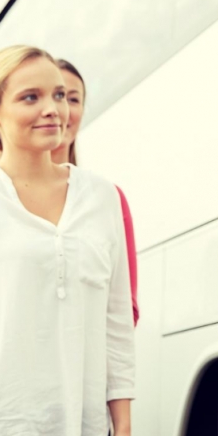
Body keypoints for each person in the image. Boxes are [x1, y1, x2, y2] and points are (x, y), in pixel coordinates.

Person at [0, 45, 134, 436]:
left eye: (59, 95)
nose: (52, 108)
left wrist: (121, 425)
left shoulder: (102, 196)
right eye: (30, 97)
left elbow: (116, 319)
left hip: (84, 424)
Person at [52, 58, 138, 325]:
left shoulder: (108, 197)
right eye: (56, 95)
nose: (62, 109)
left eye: (73, 99)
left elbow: (125, 306)